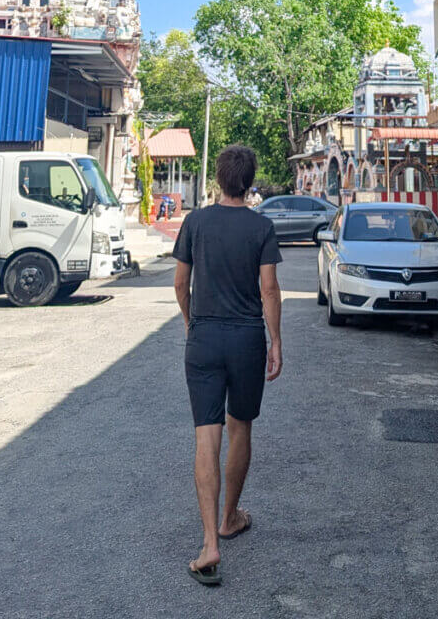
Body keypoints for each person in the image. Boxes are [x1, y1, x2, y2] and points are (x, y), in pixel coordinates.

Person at [173, 144, 283, 587]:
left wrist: (190, 323)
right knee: (240, 427)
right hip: (245, 341)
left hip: (203, 338)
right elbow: (270, 290)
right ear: (250, 181)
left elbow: (181, 283)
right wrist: (275, 341)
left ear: (218, 179)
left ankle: (208, 544)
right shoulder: (262, 226)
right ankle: (230, 517)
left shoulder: (194, 222)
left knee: (207, 435)